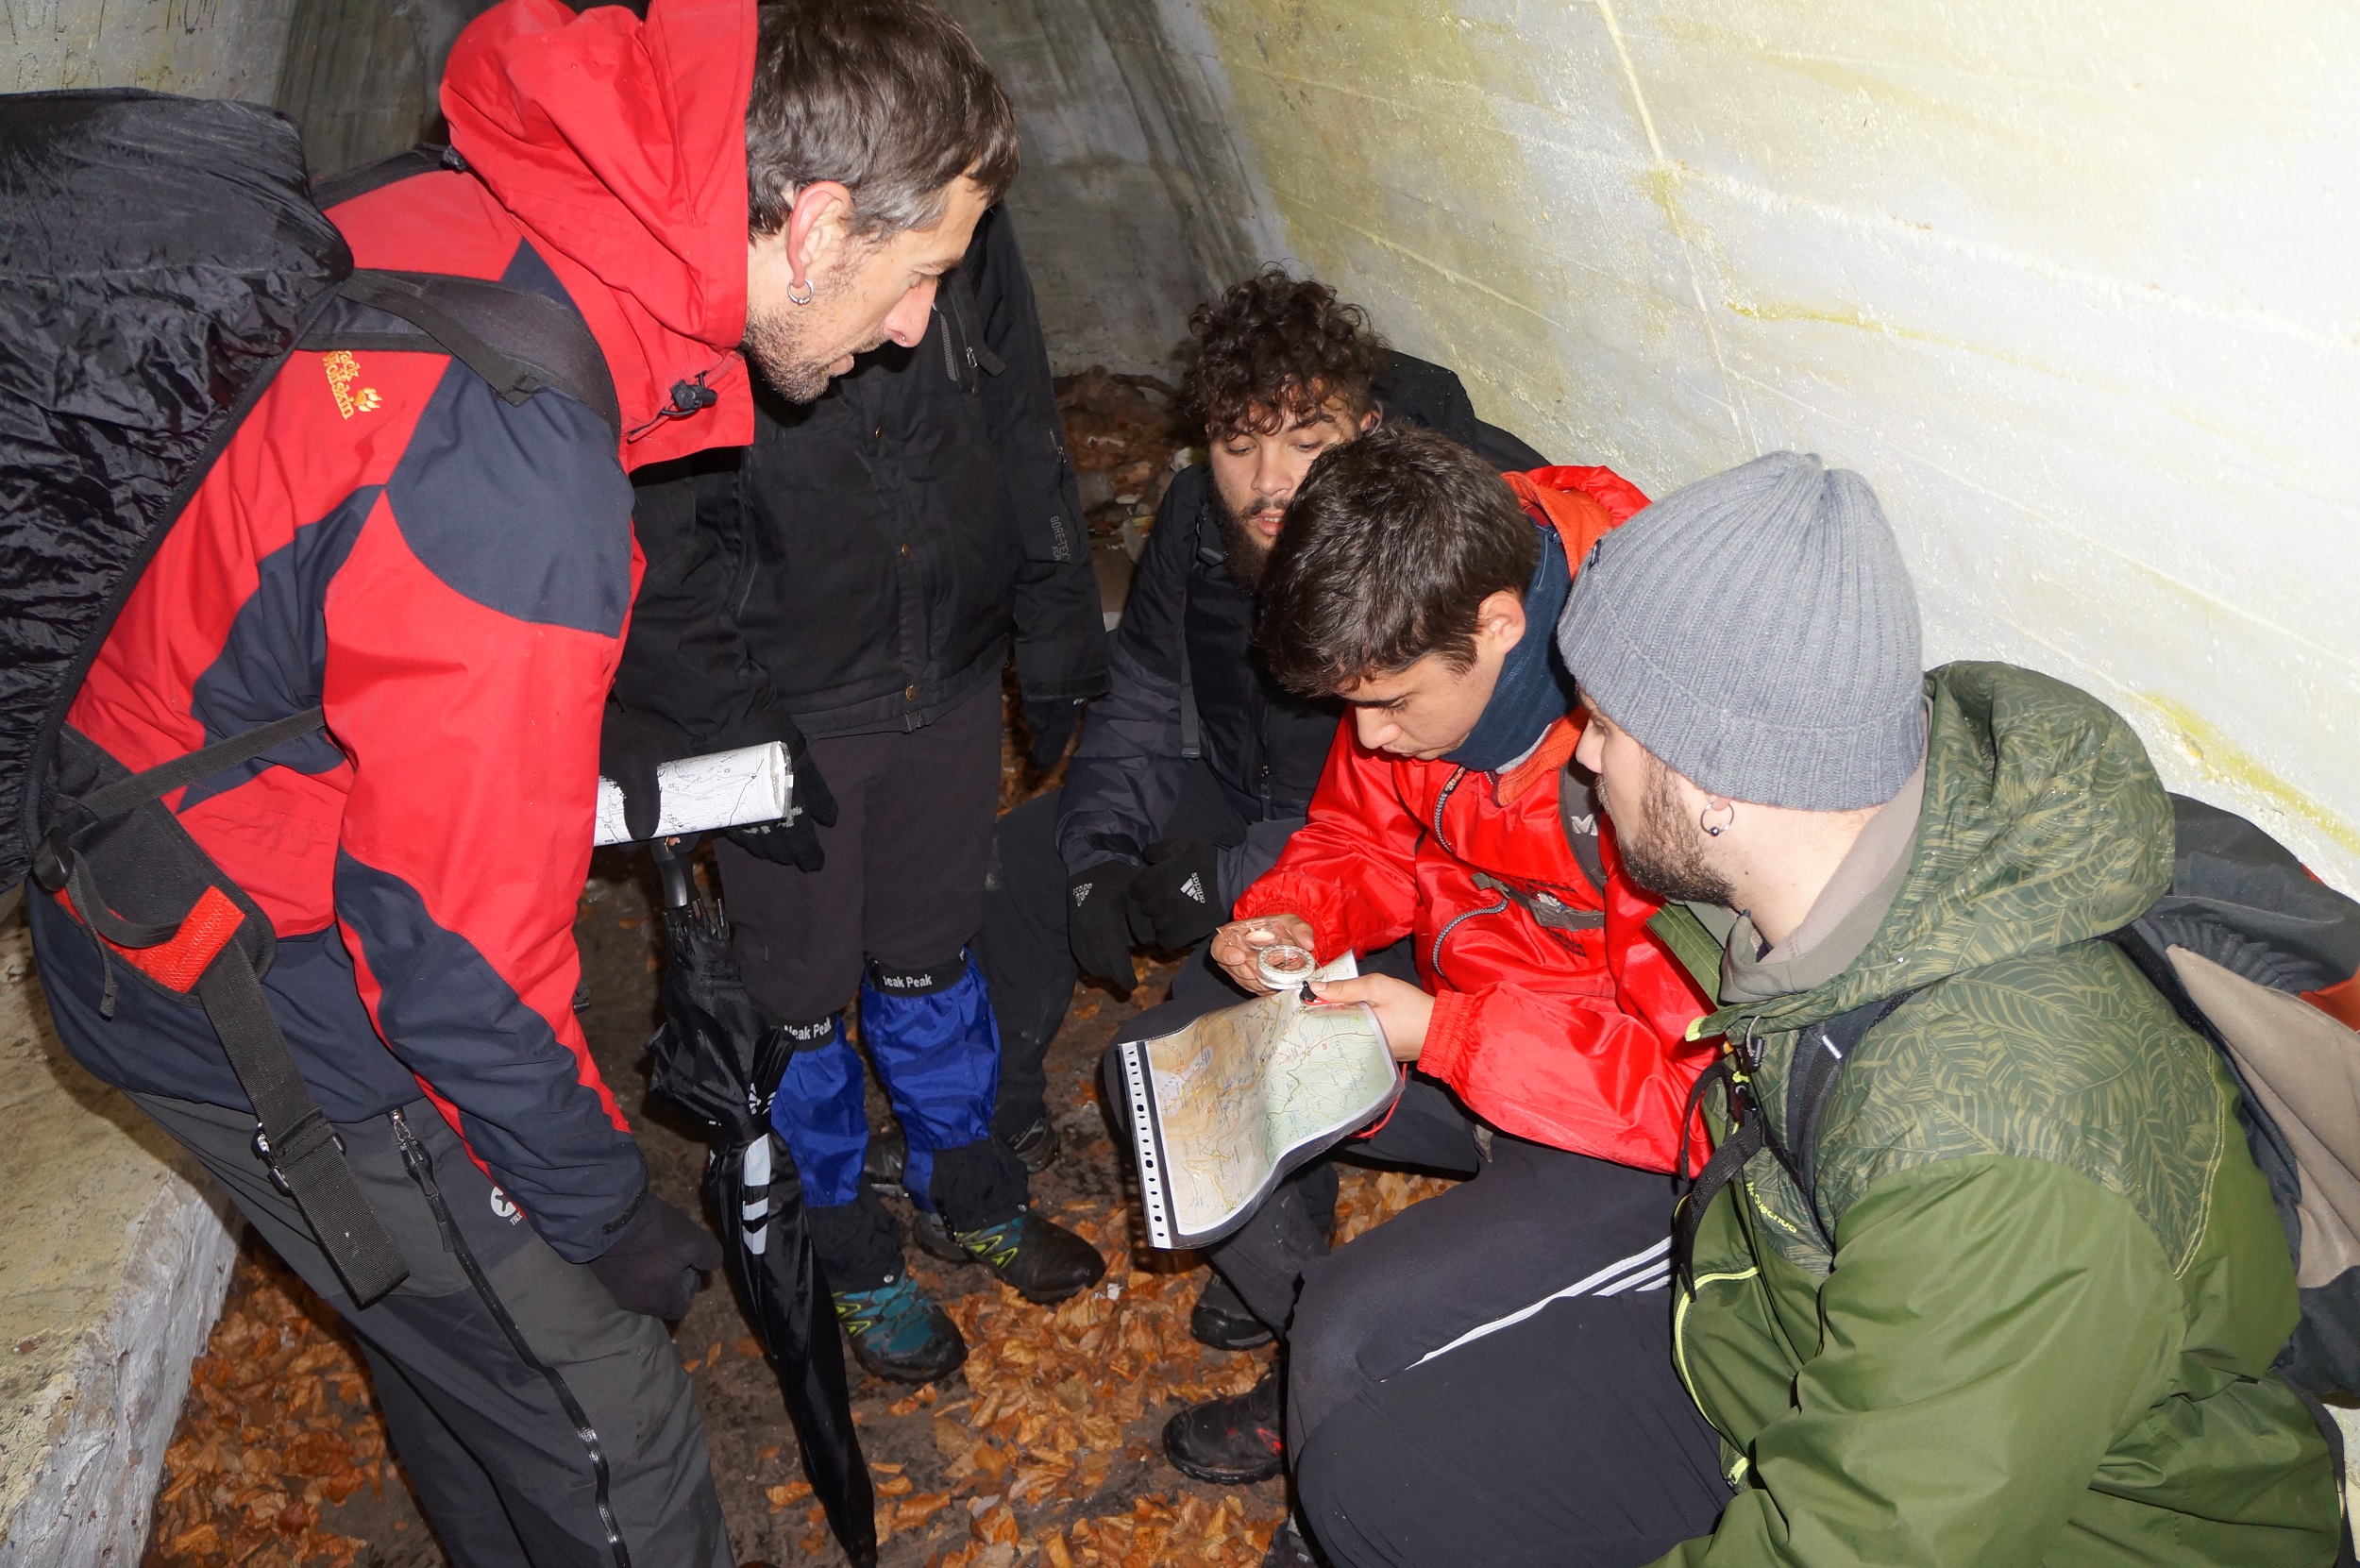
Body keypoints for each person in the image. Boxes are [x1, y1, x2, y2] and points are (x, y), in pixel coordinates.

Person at [25, 1, 1021, 1562]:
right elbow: (454, 961)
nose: (915, 327)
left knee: (465, 1350)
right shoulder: (514, 456)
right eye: (925, 275)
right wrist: (596, 1199)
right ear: (819, 223)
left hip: (154, 830)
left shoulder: (466, 212)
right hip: (233, 943)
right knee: (600, 1405)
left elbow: (359, 631)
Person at [1287, 450, 2344, 1568]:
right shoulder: (1812, 902)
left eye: (1606, 723)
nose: (1583, 755)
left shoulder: (1997, 1144)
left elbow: (1864, 1538)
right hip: (1779, 1339)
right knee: (1373, 1474)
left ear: (1717, 782)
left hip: (2087, 1525)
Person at [1104, 425, 1718, 1492]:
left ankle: (1345, 1426)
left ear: (1498, 627)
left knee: (1358, 1325)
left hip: (1619, 1123)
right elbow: (1358, 833)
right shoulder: (1419, 619)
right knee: (1160, 1060)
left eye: (1387, 703)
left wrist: (1444, 1033)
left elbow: (1698, 1098)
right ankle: (1321, 1383)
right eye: (1350, 706)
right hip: (1462, 1017)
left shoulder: (1659, 755)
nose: (1371, 738)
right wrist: (1293, 913)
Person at [971, 267, 1532, 1335]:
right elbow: (1142, 688)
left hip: (1374, 853)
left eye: (1304, 441)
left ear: (1364, 429)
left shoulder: (1424, 536)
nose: (1269, 481)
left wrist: (1225, 882)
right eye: (1238, 445)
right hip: (1232, 783)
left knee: (1234, 978)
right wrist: (1100, 849)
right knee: (1021, 868)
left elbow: (1404, 804)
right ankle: (994, 1127)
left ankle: (1288, 1256)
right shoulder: (1197, 517)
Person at [613, 194, 1110, 1385]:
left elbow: (1018, 411)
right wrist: (729, 725)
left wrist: (1050, 618)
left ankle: (968, 1182)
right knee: (796, 994)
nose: (911, 315)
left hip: (942, 663)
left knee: (932, 949)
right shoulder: (703, 236)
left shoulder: (956, 208)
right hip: (790, 688)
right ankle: (842, 1243)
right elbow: (656, 507)